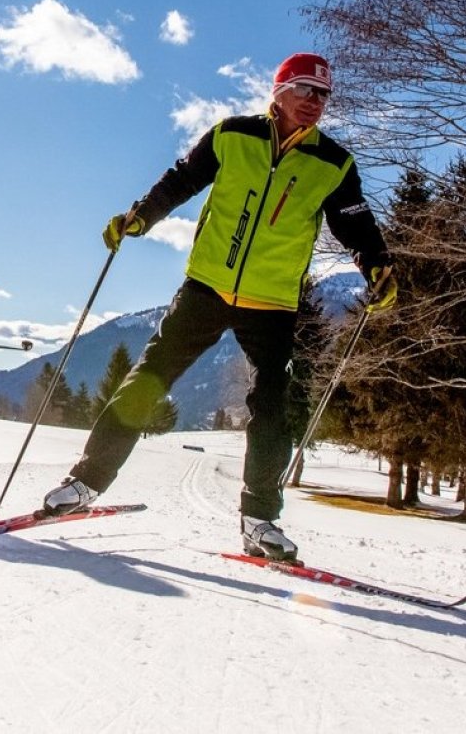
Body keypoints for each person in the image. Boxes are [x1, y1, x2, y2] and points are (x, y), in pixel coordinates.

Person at [41, 53, 396, 562]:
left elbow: (354, 224)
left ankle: (260, 522)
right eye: (304, 89)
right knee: (147, 381)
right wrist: (140, 217)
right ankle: (85, 484)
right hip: (207, 286)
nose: (314, 102)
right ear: (278, 91)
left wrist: (377, 265)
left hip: (272, 302)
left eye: (323, 95)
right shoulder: (232, 135)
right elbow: (181, 180)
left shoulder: (334, 163)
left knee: (272, 409)